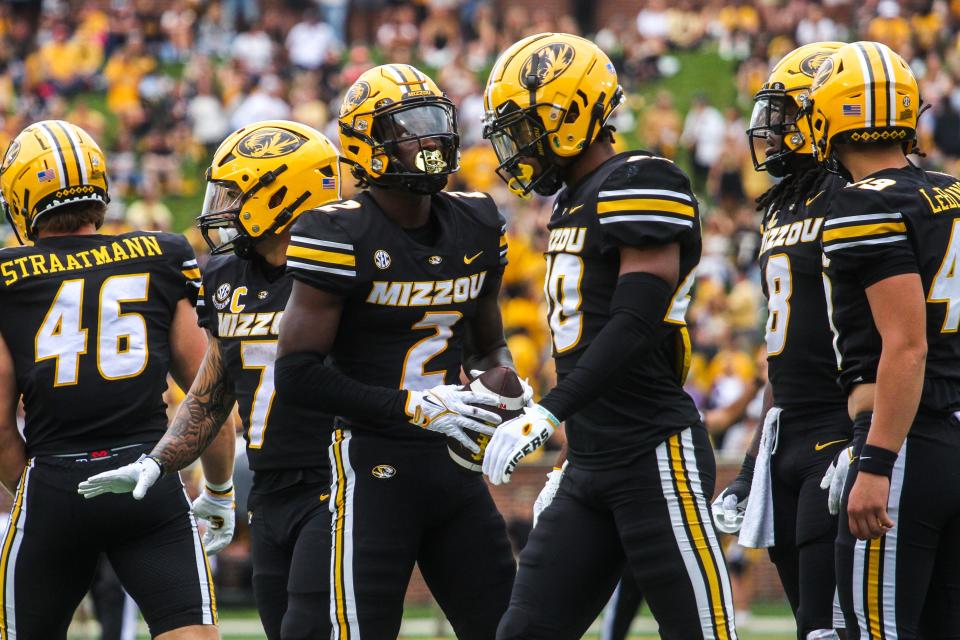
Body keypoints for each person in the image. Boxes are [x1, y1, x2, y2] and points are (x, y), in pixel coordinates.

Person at [481, 33, 738, 639]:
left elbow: (632, 324)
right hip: (590, 460)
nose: (517, 145)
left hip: (654, 451)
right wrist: (570, 442)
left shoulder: (642, 178)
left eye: (525, 127)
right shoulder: (574, 202)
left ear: (569, 115)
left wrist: (549, 412)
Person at [273, 64, 518, 640]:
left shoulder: (478, 221)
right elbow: (298, 374)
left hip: (455, 464)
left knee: (512, 628)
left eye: (437, 123)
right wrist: (411, 407)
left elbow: (487, 346)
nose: (430, 139)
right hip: (371, 463)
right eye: (409, 127)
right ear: (368, 142)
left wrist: (504, 388)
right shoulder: (336, 232)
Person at [78, 120, 342, 640]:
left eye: (234, 192)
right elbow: (211, 392)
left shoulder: (339, 265)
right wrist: (161, 461)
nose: (220, 206)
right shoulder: (227, 275)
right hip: (268, 491)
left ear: (281, 195)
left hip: (336, 483)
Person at [0, 120, 235, 639]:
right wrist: (218, 490)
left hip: (52, 481)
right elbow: (211, 396)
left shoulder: (7, 274)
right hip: (147, 479)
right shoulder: (163, 253)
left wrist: (40, 494)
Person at [808, 41, 960, 637]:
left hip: (907, 440)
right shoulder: (950, 190)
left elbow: (906, 345)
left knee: (875, 630)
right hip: (951, 431)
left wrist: (875, 462)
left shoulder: (861, 206)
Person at [715, 42, 851, 639]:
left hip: (844, 420)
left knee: (836, 624)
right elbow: (784, 347)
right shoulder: (782, 204)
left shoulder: (857, 196)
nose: (772, 128)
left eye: (788, 113)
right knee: (808, 622)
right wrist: (751, 464)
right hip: (787, 429)